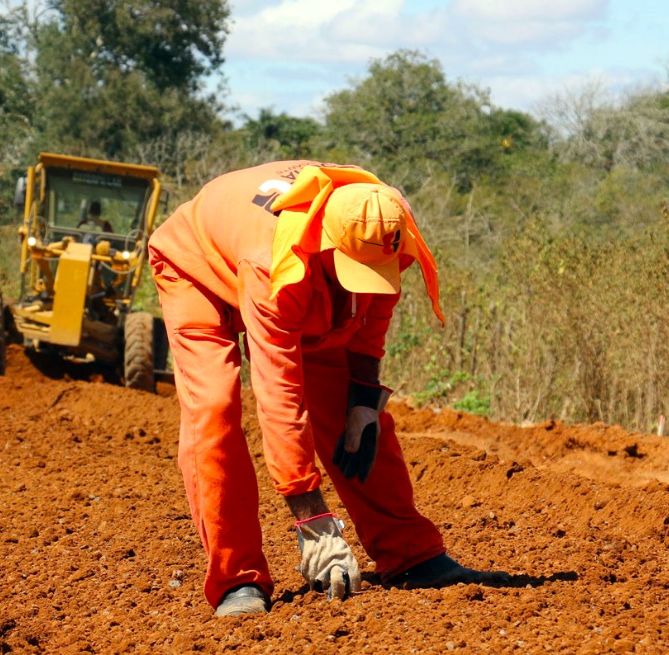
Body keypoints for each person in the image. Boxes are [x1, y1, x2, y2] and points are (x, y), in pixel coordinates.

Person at [147, 161, 510, 617]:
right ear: (328, 245)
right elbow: (279, 391)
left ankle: (412, 555)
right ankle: (237, 581)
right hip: (196, 265)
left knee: (353, 409)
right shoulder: (273, 261)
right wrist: (314, 522)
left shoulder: (386, 226)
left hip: (305, 278)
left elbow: (371, 316)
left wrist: (363, 398)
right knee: (215, 409)